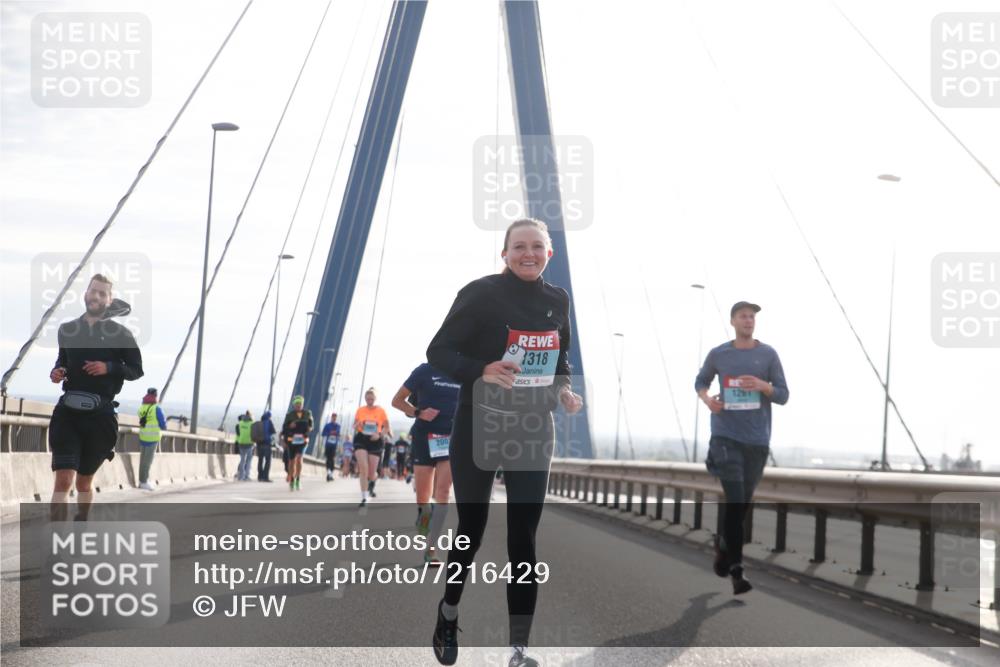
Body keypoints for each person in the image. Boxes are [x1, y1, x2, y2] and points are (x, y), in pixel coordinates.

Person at [426, 219, 583, 667]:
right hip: (481, 426)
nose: (528, 253)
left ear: (549, 254)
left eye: (537, 247)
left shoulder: (558, 300)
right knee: (470, 532)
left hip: (533, 430)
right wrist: (482, 369)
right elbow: (438, 351)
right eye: (519, 247)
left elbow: (561, 359)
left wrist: (565, 390)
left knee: (523, 541)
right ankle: (449, 611)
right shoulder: (480, 293)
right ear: (505, 253)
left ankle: (518, 650)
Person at [695, 300, 789, 595]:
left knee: (741, 505)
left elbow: (784, 395)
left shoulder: (768, 355)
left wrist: (763, 386)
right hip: (725, 437)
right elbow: (700, 381)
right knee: (735, 500)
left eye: (752, 316)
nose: (749, 320)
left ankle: (723, 544)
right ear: (733, 321)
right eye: (743, 316)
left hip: (757, 441)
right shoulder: (719, 354)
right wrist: (709, 400)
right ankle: (737, 570)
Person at [48, 274, 143, 521]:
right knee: (63, 480)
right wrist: (58, 371)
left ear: (109, 300)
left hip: (100, 418)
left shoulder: (121, 334)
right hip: (67, 414)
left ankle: (81, 522)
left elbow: (136, 370)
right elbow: (63, 361)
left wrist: (109, 367)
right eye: (93, 291)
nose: (96, 296)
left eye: (102, 293)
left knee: (83, 484)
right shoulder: (67, 329)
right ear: (85, 294)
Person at [391, 364, 459, 566]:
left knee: (443, 492)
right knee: (423, 496)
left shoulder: (463, 371)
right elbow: (396, 400)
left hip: (451, 438)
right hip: (423, 437)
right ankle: (424, 513)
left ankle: (431, 549)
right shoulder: (425, 371)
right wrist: (417, 411)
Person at [352, 388, 389, 507]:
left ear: (375, 399)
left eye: (372, 399)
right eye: (368, 399)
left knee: (371, 473)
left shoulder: (381, 411)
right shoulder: (360, 410)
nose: (369, 401)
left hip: (375, 441)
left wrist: (379, 435)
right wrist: (357, 425)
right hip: (361, 439)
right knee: (363, 468)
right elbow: (355, 425)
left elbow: (386, 427)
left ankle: (372, 482)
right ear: (365, 399)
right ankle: (364, 497)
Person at [281, 395, 313, 491]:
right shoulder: (289, 415)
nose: (298, 405)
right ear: (294, 405)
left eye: (300, 404)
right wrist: (289, 426)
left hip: (303, 440)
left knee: (299, 458)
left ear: (302, 404)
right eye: (296, 404)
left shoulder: (308, 414)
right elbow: (284, 428)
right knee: (291, 461)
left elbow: (311, 426)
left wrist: (308, 430)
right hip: (291, 441)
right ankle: (292, 480)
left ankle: (298, 480)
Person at [137, 387, 166, 491]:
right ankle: (144, 482)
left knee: (142, 461)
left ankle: (141, 481)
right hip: (152, 438)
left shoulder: (142, 408)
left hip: (143, 436)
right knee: (147, 462)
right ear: (155, 396)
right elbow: (163, 424)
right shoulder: (156, 408)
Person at [255, 410, 277, 482]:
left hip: (259, 444)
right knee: (268, 461)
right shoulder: (269, 422)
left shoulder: (259, 423)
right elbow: (274, 431)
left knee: (260, 460)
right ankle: (265, 477)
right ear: (269, 416)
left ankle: (260, 477)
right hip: (267, 444)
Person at [235, 410, 254, 481]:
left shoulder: (240, 423)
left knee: (242, 460)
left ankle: (241, 476)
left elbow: (239, 433)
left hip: (241, 443)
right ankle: (247, 476)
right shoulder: (252, 423)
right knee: (248, 461)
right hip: (249, 443)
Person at [322, 412, 341, 481]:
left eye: (335, 417)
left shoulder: (338, 426)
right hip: (328, 444)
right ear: (331, 417)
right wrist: (329, 433)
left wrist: (337, 434)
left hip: (334, 445)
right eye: (333, 417)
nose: (334, 418)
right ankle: (329, 472)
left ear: (336, 418)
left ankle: (330, 473)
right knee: (328, 458)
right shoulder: (327, 425)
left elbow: (338, 434)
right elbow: (323, 433)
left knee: (332, 458)